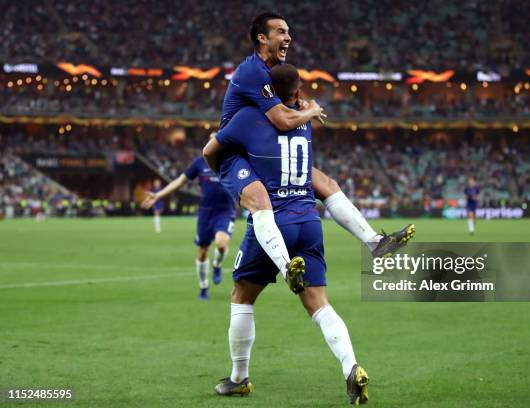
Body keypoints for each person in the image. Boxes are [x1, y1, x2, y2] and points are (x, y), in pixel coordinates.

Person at [205, 12, 414, 292]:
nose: (288, 37)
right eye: (280, 31)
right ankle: (285, 265)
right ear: (262, 38)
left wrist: (300, 102)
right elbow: (281, 120)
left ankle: (375, 243)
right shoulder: (252, 70)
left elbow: (285, 101)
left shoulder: (271, 71)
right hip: (235, 154)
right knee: (260, 200)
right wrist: (313, 110)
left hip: (263, 150)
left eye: (288, 31)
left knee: (327, 184)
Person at [212, 64, 369, 404]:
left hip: (273, 222)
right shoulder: (304, 117)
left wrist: (231, 175)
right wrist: (310, 106)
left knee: (242, 296)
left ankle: (239, 378)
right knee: (320, 305)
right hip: (309, 221)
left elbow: (211, 150)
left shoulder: (248, 117)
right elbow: (292, 124)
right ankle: (351, 366)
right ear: (297, 92)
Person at [141, 150, 235, 300]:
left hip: (225, 211)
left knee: (222, 244)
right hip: (206, 213)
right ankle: (203, 286)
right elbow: (180, 181)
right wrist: (159, 195)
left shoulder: (231, 160)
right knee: (203, 250)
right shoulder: (200, 163)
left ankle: (217, 264)